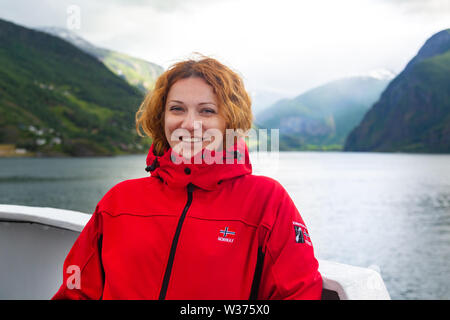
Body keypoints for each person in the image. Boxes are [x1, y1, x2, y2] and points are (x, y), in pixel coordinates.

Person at [52, 55, 322, 300]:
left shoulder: (265, 200)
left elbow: (299, 293)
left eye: (207, 111)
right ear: (162, 117)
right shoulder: (118, 201)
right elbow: (76, 292)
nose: (190, 124)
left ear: (230, 121)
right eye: (177, 109)